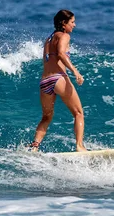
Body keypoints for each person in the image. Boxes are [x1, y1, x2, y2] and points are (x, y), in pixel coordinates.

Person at [31, 10, 86, 152]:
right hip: (58, 78)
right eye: (72, 22)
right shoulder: (64, 36)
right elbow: (61, 53)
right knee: (78, 113)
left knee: (46, 117)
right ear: (63, 23)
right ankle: (79, 146)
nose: (74, 25)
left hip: (45, 81)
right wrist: (75, 72)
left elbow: (47, 60)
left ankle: (34, 147)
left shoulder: (48, 40)